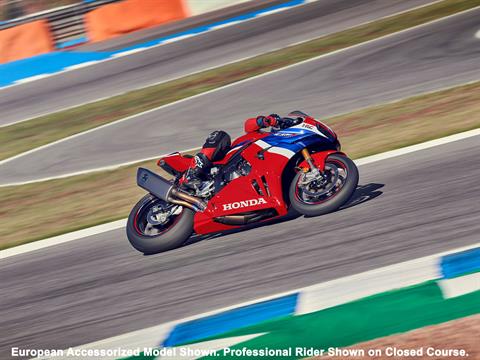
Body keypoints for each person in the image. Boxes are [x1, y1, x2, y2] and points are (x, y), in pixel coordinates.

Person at [182, 113, 294, 189]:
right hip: (227, 160)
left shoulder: (282, 153)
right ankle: (192, 174)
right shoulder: (262, 135)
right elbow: (248, 125)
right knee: (221, 135)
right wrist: (266, 121)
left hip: (245, 181)